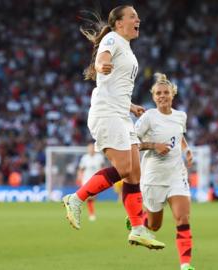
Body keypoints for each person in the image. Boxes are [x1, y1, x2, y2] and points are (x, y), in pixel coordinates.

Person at [62, 5, 165, 249]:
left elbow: (115, 86)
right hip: (106, 114)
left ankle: (138, 229)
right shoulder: (112, 38)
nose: (138, 19)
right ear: (119, 23)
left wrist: (130, 106)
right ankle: (76, 198)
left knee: (135, 173)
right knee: (124, 168)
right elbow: (102, 59)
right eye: (132, 16)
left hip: (120, 114)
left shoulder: (127, 48)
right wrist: (101, 65)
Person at [132, 73, 196, 270]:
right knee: (154, 226)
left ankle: (185, 265)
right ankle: (138, 220)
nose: (162, 96)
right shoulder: (148, 117)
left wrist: (186, 150)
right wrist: (154, 145)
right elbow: (132, 143)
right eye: (158, 93)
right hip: (153, 178)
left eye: (166, 92)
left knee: (182, 218)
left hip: (176, 175)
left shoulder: (180, 116)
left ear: (172, 95)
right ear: (153, 97)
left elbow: (179, 136)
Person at [77, 143, 105, 221]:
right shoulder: (85, 158)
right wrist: (79, 177)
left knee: (92, 197)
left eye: (92, 148)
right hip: (86, 180)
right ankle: (91, 214)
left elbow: (103, 168)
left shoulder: (99, 157)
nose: (91, 149)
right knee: (90, 197)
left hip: (97, 180)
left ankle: (87, 210)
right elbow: (81, 169)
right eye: (89, 148)